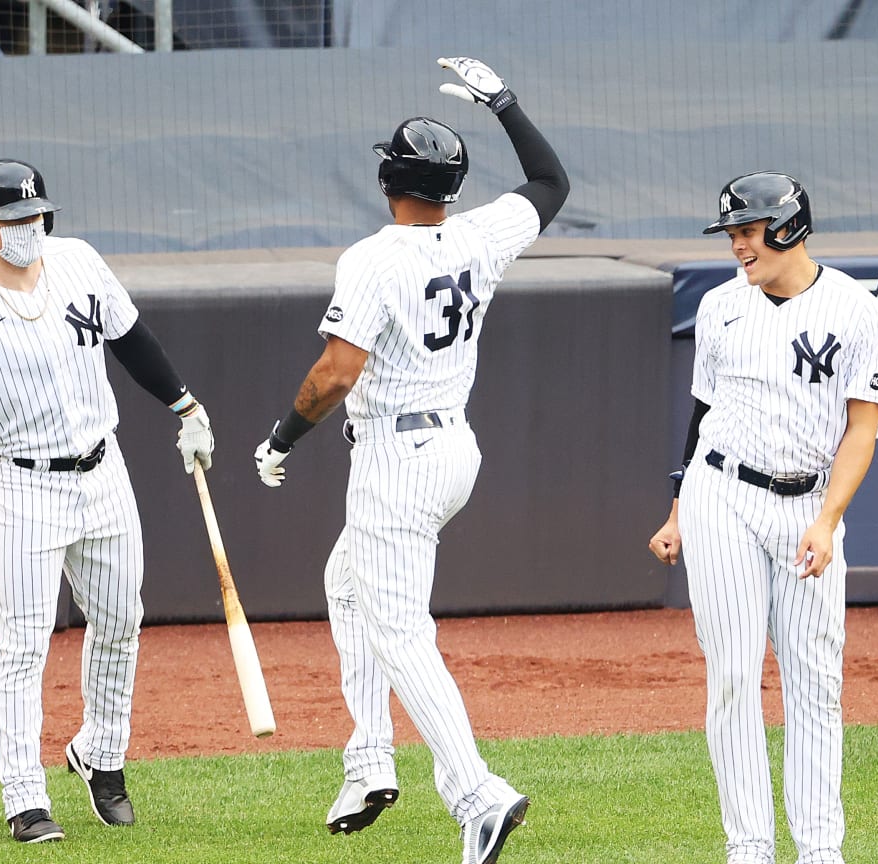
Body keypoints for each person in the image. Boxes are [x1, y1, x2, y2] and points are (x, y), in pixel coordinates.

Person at [250, 57, 569, 864]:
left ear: (391, 175)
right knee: (344, 583)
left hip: (396, 457)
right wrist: (505, 101)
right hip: (452, 447)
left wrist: (282, 436)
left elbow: (335, 374)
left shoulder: (373, 259)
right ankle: (368, 761)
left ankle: (476, 794)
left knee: (400, 633)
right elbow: (551, 182)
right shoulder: (479, 232)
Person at [0, 158, 215, 844]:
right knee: (23, 643)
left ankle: (101, 756)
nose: (33, 227)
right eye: (16, 218)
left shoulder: (79, 262)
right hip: (25, 485)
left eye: (38, 214)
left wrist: (187, 406)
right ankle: (24, 798)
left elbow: (132, 340)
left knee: (120, 620)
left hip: (103, 469)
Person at [647, 171, 878, 864]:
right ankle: (748, 847)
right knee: (731, 674)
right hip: (720, 495)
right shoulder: (722, 308)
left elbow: (861, 430)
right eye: (731, 235)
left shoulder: (857, 313)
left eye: (747, 233)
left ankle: (819, 850)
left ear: (787, 228)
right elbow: (702, 419)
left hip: (809, 506)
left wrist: (827, 520)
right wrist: (676, 510)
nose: (737, 247)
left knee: (814, 680)